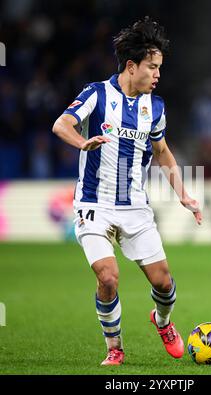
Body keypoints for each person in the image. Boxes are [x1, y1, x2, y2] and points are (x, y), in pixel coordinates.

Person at [52, 16, 202, 366]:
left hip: (135, 208)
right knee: (108, 277)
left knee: (163, 284)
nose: (157, 74)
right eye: (152, 67)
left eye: (160, 67)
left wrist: (184, 194)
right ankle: (115, 348)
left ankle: (162, 322)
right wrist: (82, 142)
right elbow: (62, 124)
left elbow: (162, 152)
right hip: (93, 204)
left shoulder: (156, 107)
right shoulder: (97, 93)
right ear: (131, 66)